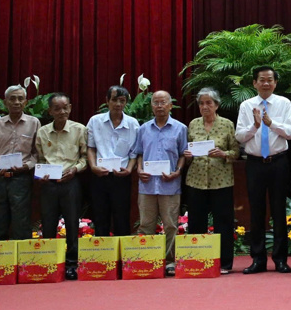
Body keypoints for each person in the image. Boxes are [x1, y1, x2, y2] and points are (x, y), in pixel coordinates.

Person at [235, 66, 291, 274]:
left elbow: (290, 133)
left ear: (275, 83)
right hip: (254, 163)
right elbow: (239, 136)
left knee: (279, 211)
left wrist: (271, 123)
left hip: (278, 162)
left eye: (270, 80)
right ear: (254, 83)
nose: (266, 83)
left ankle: (280, 259)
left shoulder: (283, 103)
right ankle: (258, 259)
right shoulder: (246, 105)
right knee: (256, 211)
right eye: (262, 80)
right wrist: (255, 126)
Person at [184, 87, 240, 274]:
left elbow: (236, 152)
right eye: (201, 103)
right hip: (196, 180)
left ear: (216, 105)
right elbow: (188, 152)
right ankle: (198, 259)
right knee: (196, 222)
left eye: (209, 103)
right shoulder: (193, 124)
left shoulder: (226, 124)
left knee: (223, 222)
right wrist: (188, 155)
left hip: (221, 181)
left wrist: (224, 153)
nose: (205, 106)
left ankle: (224, 263)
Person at [132, 90, 187, 276]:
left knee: (170, 224)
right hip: (147, 184)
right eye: (156, 102)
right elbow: (138, 153)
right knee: (146, 224)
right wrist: (139, 170)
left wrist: (177, 172)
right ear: (151, 106)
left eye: (163, 102)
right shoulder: (143, 129)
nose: (159, 106)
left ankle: (170, 261)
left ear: (171, 105)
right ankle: (148, 258)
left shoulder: (180, 128)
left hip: (170, 184)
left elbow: (182, 154)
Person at [34, 93, 87, 280]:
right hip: (48, 183)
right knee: (48, 224)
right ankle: (49, 262)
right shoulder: (42, 132)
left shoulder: (80, 130)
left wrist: (75, 170)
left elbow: (85, 157)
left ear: (70, 108)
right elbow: (40, 159)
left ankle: (72, 264)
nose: (62, 111)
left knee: (72, 223)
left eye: (65, 107)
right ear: (50, 111)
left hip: (70, 181)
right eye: (57, 108)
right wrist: (40, 174)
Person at [0, 85, 40, 241]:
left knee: (21, 223)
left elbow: (37, 153)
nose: (16, 102)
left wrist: (27, 166)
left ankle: (22, 262)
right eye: (12, 98)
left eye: (20, 99)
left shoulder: (34, 123)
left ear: (26, 102)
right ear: (5, 102)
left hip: (21, 178)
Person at [86, 85, 139, 237]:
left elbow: (134, 152)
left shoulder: (133, 124)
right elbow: (91, 148)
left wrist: (129, 169)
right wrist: (93, 167)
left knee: (122, 217)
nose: (118, 104)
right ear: (107, 101)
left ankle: (121, 257)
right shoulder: (95, 121)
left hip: (121, 176)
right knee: (100, 216)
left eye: (122, 101)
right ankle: (103, 257)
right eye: (114, 100)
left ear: (126, 103)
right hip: (99, 176)